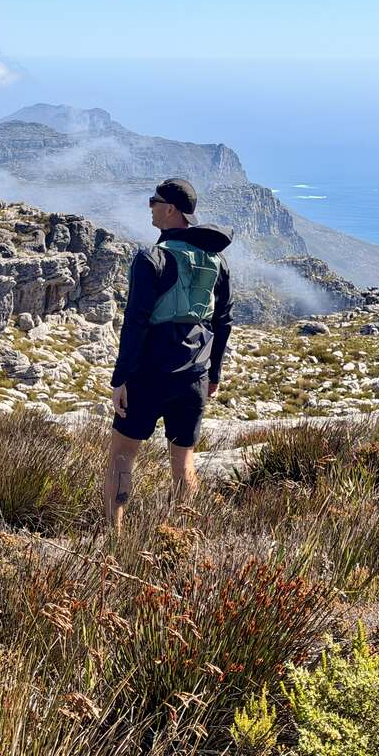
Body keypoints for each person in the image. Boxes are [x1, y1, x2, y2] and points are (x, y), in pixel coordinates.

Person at [104, 178, 234, 534]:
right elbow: (223, 322)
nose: (150, 207)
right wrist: (214, 375)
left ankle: (114, 539)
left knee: (121, 456)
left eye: (153, 201)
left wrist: (121, 379)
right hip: (193, 376)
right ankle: (179, 540)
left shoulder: (152, 258)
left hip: (148, 374)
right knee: (184, 462)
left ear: (171, 210)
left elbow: (136, 321)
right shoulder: (217, 263)